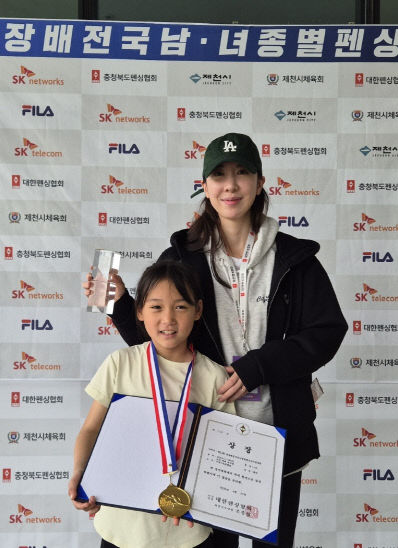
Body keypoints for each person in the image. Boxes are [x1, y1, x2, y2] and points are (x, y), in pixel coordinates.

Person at [100, 133, 348, 548]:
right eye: (219, 175)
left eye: (242, 173)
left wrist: (259, 366)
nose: (230, 185)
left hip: (277, 435)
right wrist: (121, 305)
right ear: (205, 185)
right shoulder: (181, 257)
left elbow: (326, 332)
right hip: (204, 436)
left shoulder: (296, 259)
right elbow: (161, 339)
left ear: (260, 182)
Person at [70, 260, 235, 548]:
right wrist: (80, 474)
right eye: (156, 307)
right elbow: (91, 429)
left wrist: (207, 500)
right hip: (121, 527)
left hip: (186, 530)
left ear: (198, 310)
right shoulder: (120, 363)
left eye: (180, 307)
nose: (168, 319)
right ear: (139, 311)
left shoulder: (214, 377)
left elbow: (223, 453)